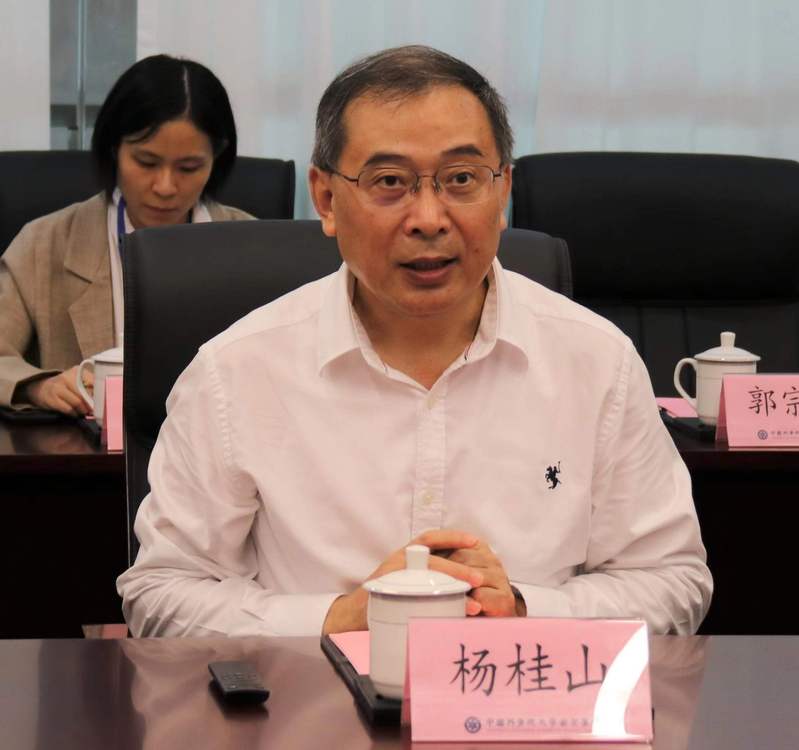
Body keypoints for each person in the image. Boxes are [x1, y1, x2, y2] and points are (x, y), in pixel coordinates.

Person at [118, 46, 712, 637]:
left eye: (461, 179)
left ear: (503, 190)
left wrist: (524, 611)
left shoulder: (596, 361)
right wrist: (337, 618)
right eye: (389, 182)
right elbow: (161, 595)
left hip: (523, 691)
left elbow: (672, 580)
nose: (429, 218)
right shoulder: (236, 372)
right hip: (312, 695)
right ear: (326, 199)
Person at [0, 54, 253, 414]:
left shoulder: (253, 246)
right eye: (146, 163)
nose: (165, 187)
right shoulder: (45, 243)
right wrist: (37, 386)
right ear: (114, 148)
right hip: (87, 446)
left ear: (217, 157)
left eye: (189, 167)